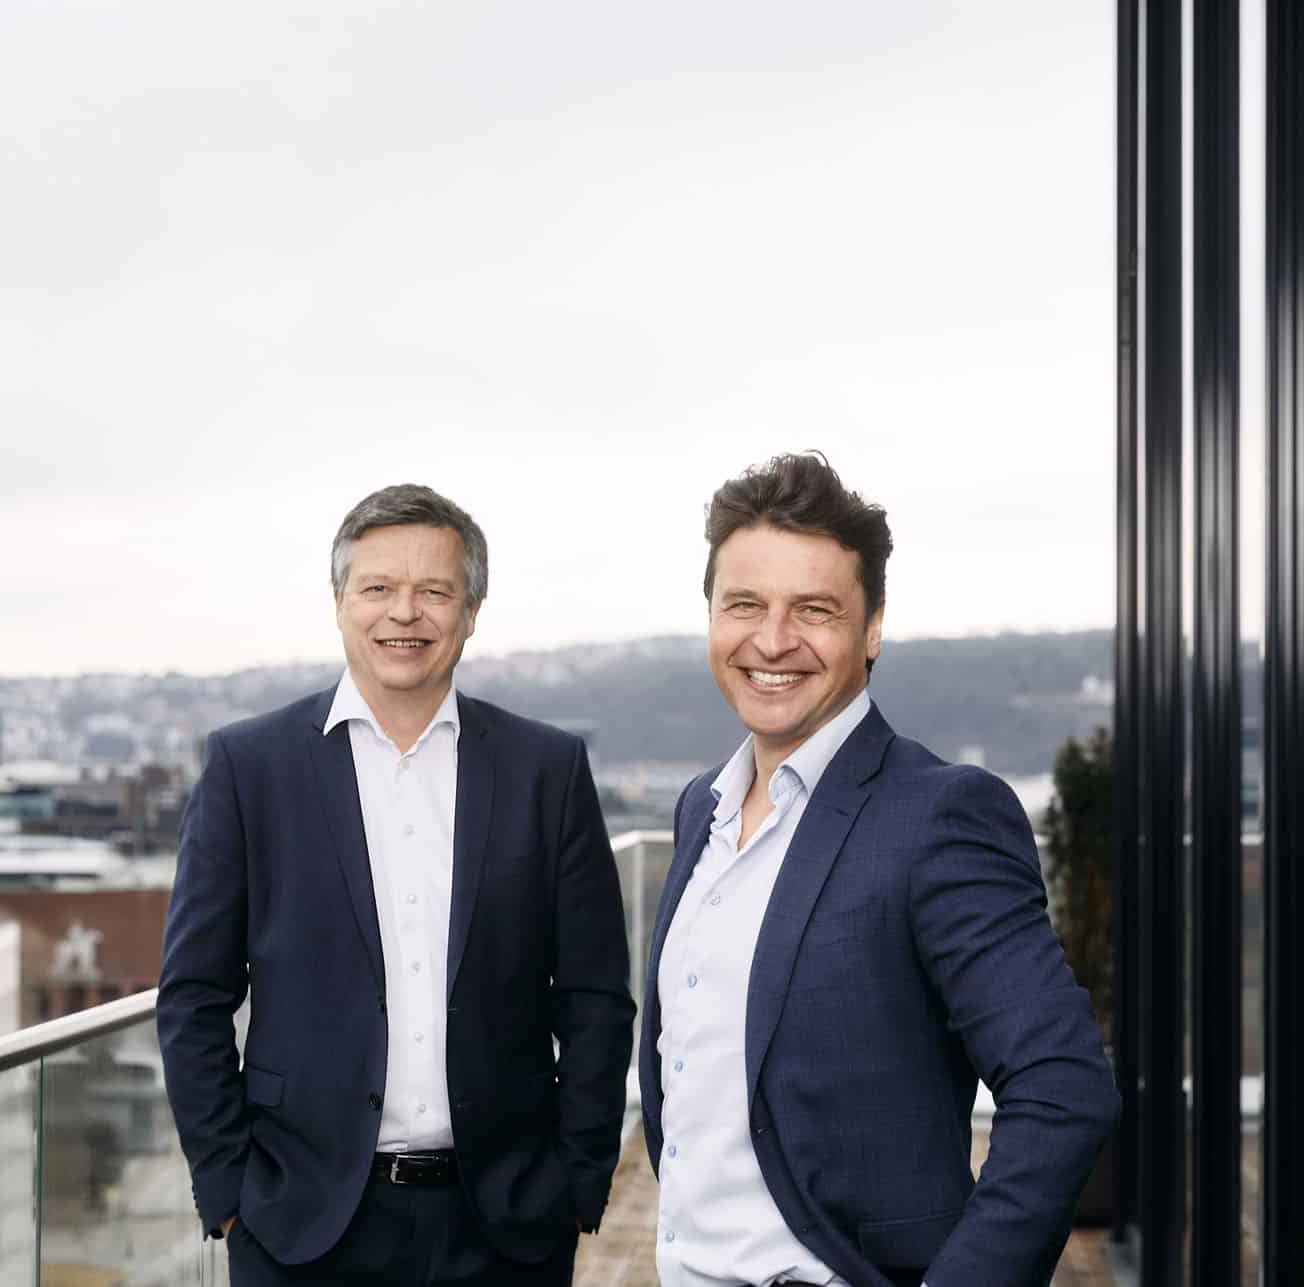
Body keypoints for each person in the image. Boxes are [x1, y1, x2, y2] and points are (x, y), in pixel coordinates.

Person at [638, 453, 1119, 1287]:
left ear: (871, 630)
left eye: (814, 609)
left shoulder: (939, 815)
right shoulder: (699, 808)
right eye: (744, 604)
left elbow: (1063, 1084)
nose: (772, 639)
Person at [159, 483, 635, 1286]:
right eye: (378, 587)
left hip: (506, 1226)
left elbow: (595, 997)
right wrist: (229, 1188)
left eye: (434, 591)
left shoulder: (546, 770)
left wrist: (578, 1180)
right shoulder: (249, 767)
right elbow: (193, 995)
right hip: (299, 1225)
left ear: (471, 612)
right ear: (340, 603)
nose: (404, 612)